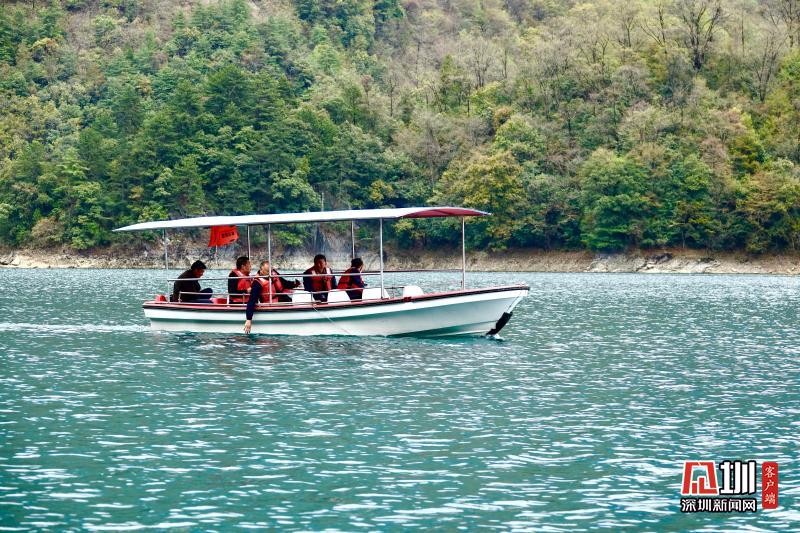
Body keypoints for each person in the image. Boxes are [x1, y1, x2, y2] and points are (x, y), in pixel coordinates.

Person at [244, 260, 295, 333]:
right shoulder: (257, 283)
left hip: (282, 298)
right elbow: (252, 301)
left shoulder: (273, 273)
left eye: (271, 271)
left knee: (291, 299)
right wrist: (248, 319)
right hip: (270, 303)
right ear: (261, 270)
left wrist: (294, 284)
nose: (270, 273)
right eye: (267, 271)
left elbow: (284, 283)